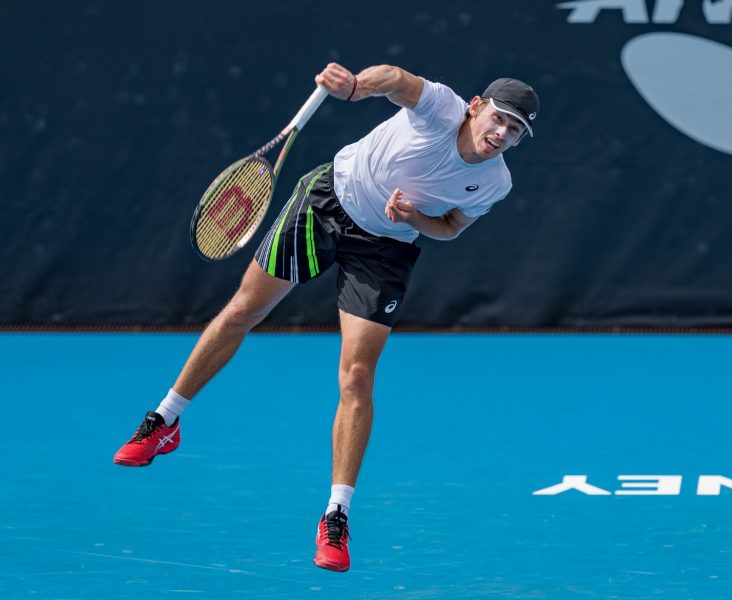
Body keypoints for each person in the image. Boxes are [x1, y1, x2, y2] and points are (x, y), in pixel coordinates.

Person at [112, 62, 539, 572]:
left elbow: (449, 228)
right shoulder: (441, 108)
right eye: (498, 118)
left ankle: (336, 516)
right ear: (475, 106)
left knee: (357, 376)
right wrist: (357, 87)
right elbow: (396, 78)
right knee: (242, 312)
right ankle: (164, 419)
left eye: (515, 130)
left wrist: (413, 219)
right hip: (326, 203)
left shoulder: (495, 182)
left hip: (387, 248)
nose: (501, 133)